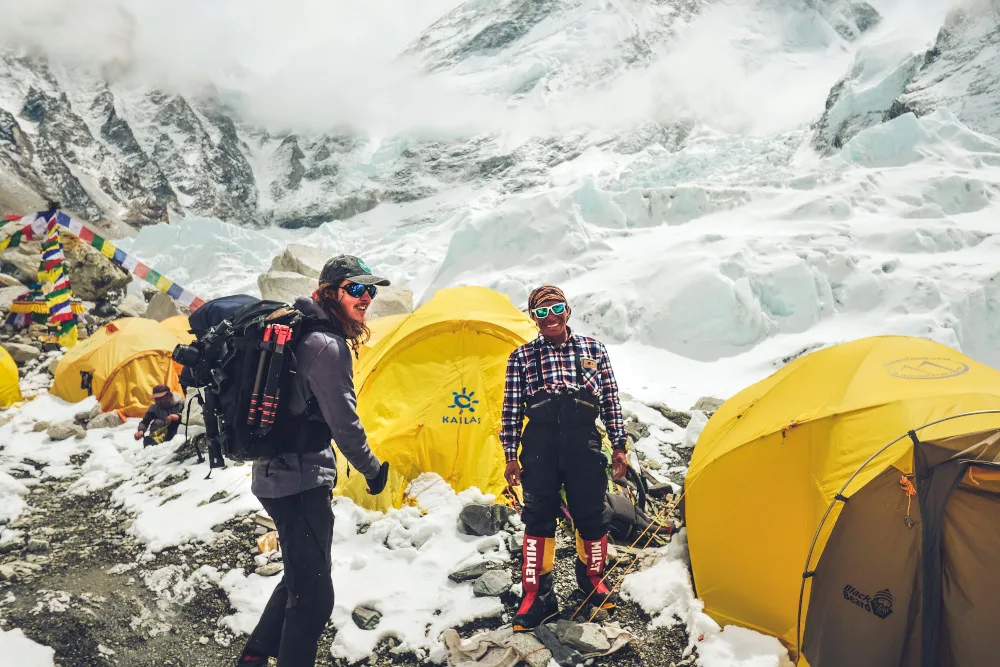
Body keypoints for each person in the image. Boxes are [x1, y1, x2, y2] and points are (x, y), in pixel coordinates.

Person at [237, 255, 392, 667]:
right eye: (356, 289)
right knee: (315, 599)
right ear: (331, 292)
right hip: (299, 481)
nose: (366, 298)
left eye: (370, 290)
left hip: (277, 474)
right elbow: (345, 424)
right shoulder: (325, 345)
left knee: (300, 578)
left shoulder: (302, 330)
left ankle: (253, 659)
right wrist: (373, 471)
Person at [500, 285, 629, 631]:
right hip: (539, 443)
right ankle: (537, 595)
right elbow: (512, 409)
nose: (549, 318)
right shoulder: (521, 357)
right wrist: (510, 455)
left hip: (583, 441)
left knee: (591, 512)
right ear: (533, 318)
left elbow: (611, 401)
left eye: (555, 308)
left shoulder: (594, 350)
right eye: (540, 313)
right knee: (537, 515)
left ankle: (592, 581)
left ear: (568, 310)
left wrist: (619, 445)